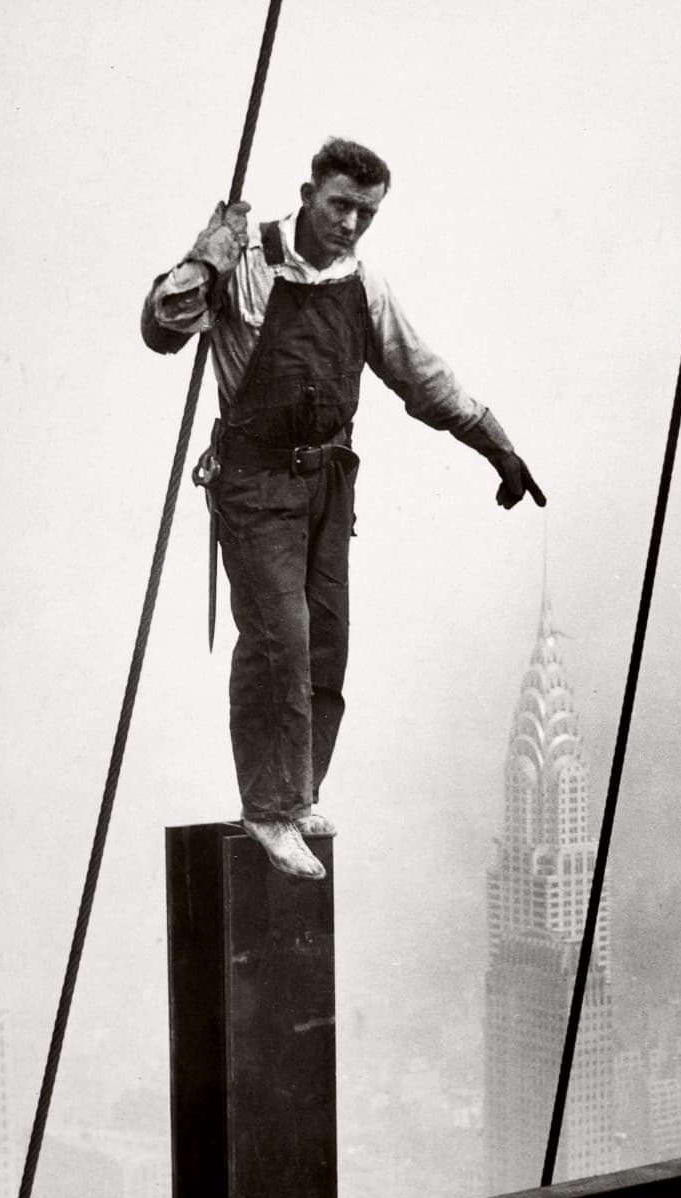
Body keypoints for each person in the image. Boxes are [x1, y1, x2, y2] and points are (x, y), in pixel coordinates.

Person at [142, 138, 543, 879]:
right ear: (306, 194)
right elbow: (161, 333)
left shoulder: (365, 286)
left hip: (328, 486)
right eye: (340, 206)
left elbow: (424, 380)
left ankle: (297, 796)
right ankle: (267, 808)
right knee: (279, 645)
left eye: (367, 212)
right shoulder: (250, 265)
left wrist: (498, 447)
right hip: (256, 485)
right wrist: (205, 261)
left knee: (324, 645)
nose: (352, 223)